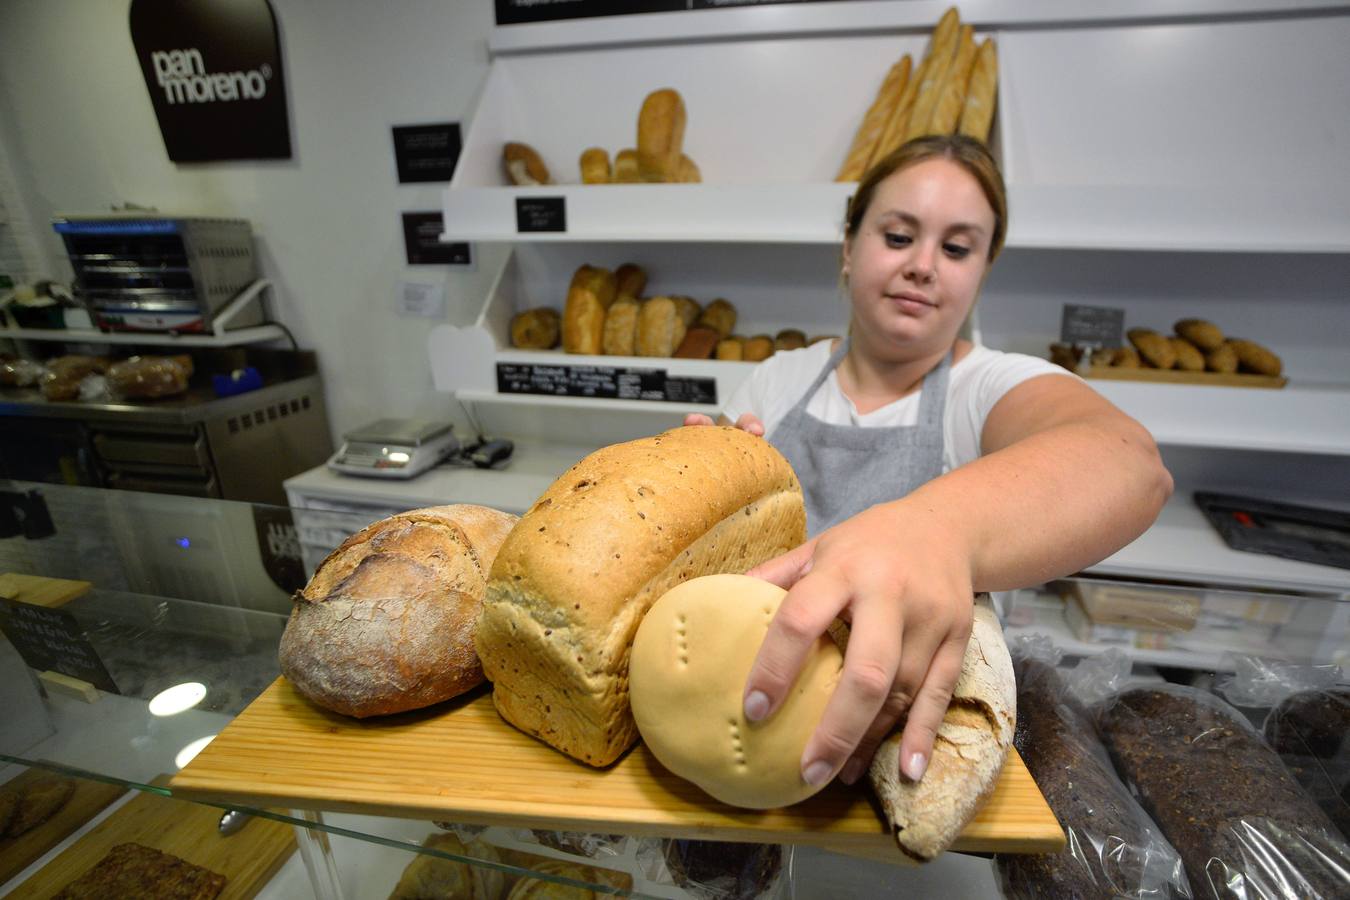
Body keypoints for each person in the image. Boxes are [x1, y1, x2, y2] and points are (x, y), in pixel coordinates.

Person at [684, 134, 1172, 791]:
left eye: (956, 248)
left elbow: (1132, 465)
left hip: (902, 731)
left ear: (982, 272)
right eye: (898, 236)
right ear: (848, 248)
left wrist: (931, 531)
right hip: (750, 703)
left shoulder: (989, 387)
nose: (923, 266)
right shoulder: (777, 380)